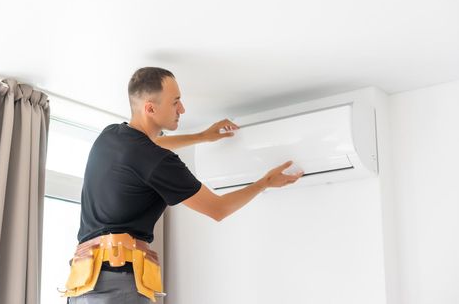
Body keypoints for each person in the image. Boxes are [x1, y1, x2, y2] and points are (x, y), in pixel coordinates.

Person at [64, 67, 303, 303]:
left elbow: (148, 151)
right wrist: (265, 182)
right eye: (175, 102)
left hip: (82, 281)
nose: (182, 109)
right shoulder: (157, 161)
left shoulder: (111, 135)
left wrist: (201, 137)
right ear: (150, 108)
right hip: (118, 285)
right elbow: (218, 209)